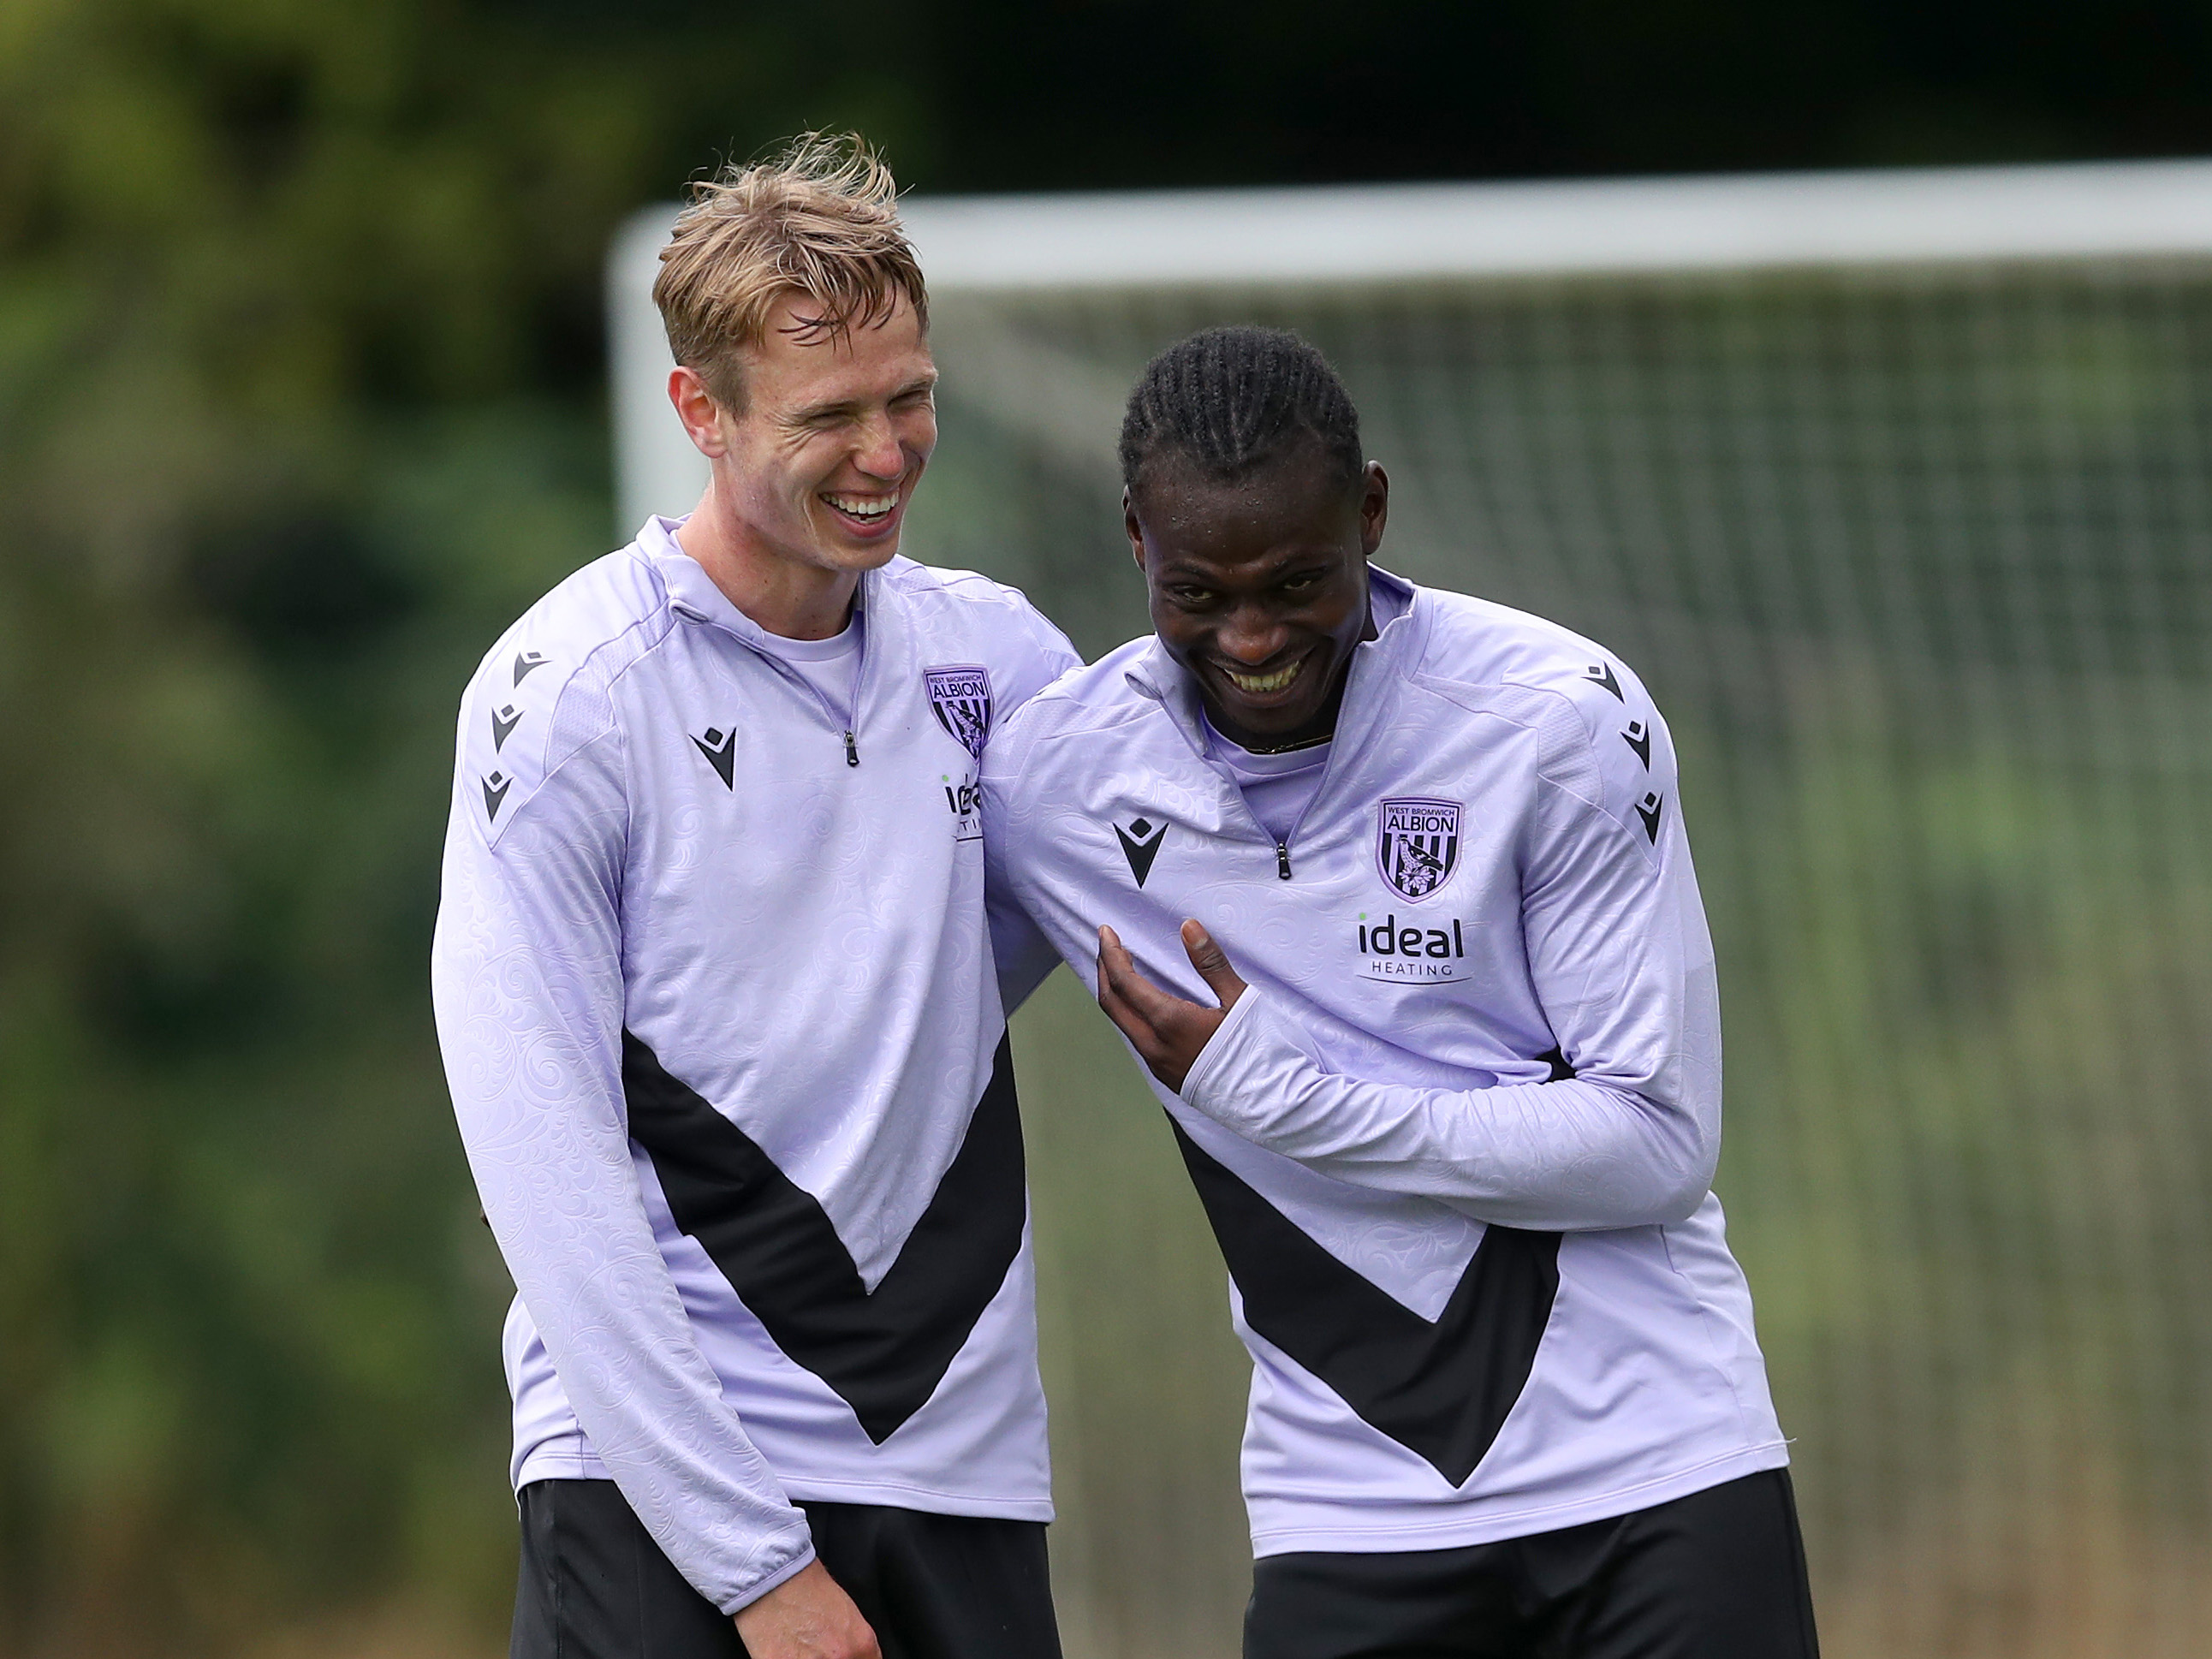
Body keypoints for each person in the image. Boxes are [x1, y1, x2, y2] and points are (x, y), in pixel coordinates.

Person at [981, 327, 1818, 1658]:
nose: (1253, 639)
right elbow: (899, 1026)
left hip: (1656, 1470)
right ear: (1134, 538)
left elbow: (1658, 1142)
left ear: (1372, 512)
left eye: (1300, 581)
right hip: (1351, 1508)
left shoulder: (1555, 721)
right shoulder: (1051, 784)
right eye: (1200, 592)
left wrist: (1287, 1098)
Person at [431, 134, 1078, 1659]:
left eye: (909, 398)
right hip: (665, 1494)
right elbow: (547, 1170)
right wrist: (751, 1565)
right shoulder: (571, 693)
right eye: (829, 415)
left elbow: (1099, 925)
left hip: (960, 1465)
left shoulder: (1003, 662)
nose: (885, 452)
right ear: (700, 415)